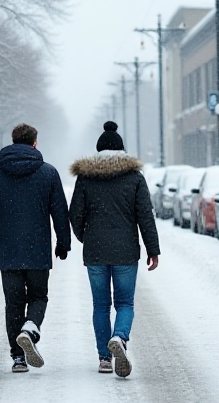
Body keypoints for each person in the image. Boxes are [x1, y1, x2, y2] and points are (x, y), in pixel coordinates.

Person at [68, 121, 160, 377]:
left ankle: (104, 358)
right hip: (126, 251)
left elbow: (74, 214)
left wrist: (85, 237)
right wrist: (153, 249)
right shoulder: (135, 178)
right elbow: (145, 216)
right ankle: (119, 337)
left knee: (100, 305)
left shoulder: (86, 179)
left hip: (96, 251)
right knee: (124, 303)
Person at [0, 123, 72, 373]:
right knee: (38, 296)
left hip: (9, 251)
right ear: (34, 143)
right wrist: (64, 242)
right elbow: (59, 213)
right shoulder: (48, 173)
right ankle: (31, 327)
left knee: (13, 303)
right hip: (38, 250)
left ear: (12, 141)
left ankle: (18, 358)